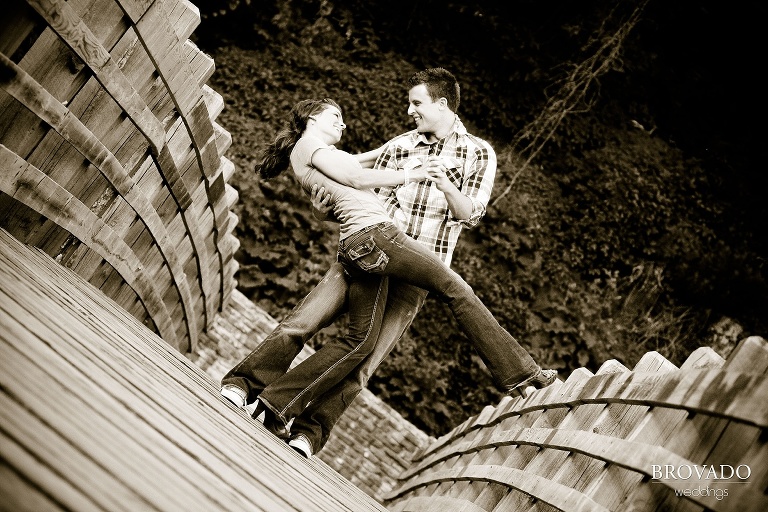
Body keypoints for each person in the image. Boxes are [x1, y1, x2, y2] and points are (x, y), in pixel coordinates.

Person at [222, 68, 557, 457]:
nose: (410, 110)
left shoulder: (479, 152)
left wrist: (444, 182)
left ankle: (308, 432)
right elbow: (352, 176)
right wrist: (321, 195)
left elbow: (469, 214)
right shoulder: (402, 144)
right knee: (303, 323)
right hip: (375, 244)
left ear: (442, 104)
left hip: (419, 266)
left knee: (364, 356)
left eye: (417, 102)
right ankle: (244, 385)